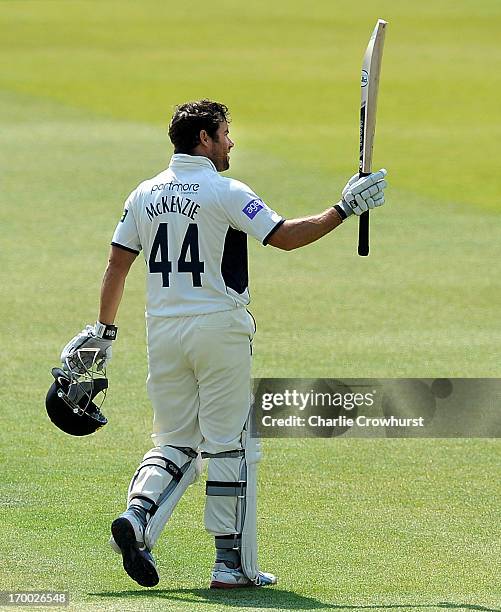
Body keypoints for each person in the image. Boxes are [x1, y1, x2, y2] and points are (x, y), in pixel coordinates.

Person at [61, 99, 387, 589]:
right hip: (219, 329)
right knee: (230, 446)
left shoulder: (143, 193)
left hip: (163, 332)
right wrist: (344, 208)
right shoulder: (225, 190)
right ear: (205, 140)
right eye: (225, 133)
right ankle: (230, 567)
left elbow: (117, 265)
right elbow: (286, 237)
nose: (232, 142)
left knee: (172, 442)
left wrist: (104, 331)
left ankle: (138, 516)